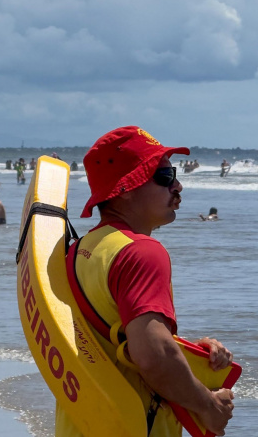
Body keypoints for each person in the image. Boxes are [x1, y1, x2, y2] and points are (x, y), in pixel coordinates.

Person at [61, 126, 235, 437]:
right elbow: (153, 357)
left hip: (81, 424)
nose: (178, 186)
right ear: (126, 187)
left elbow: (113, 339)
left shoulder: (80, 251)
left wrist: (191, 353)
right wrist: (208, 406)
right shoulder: (141, 253)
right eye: (165, 177)